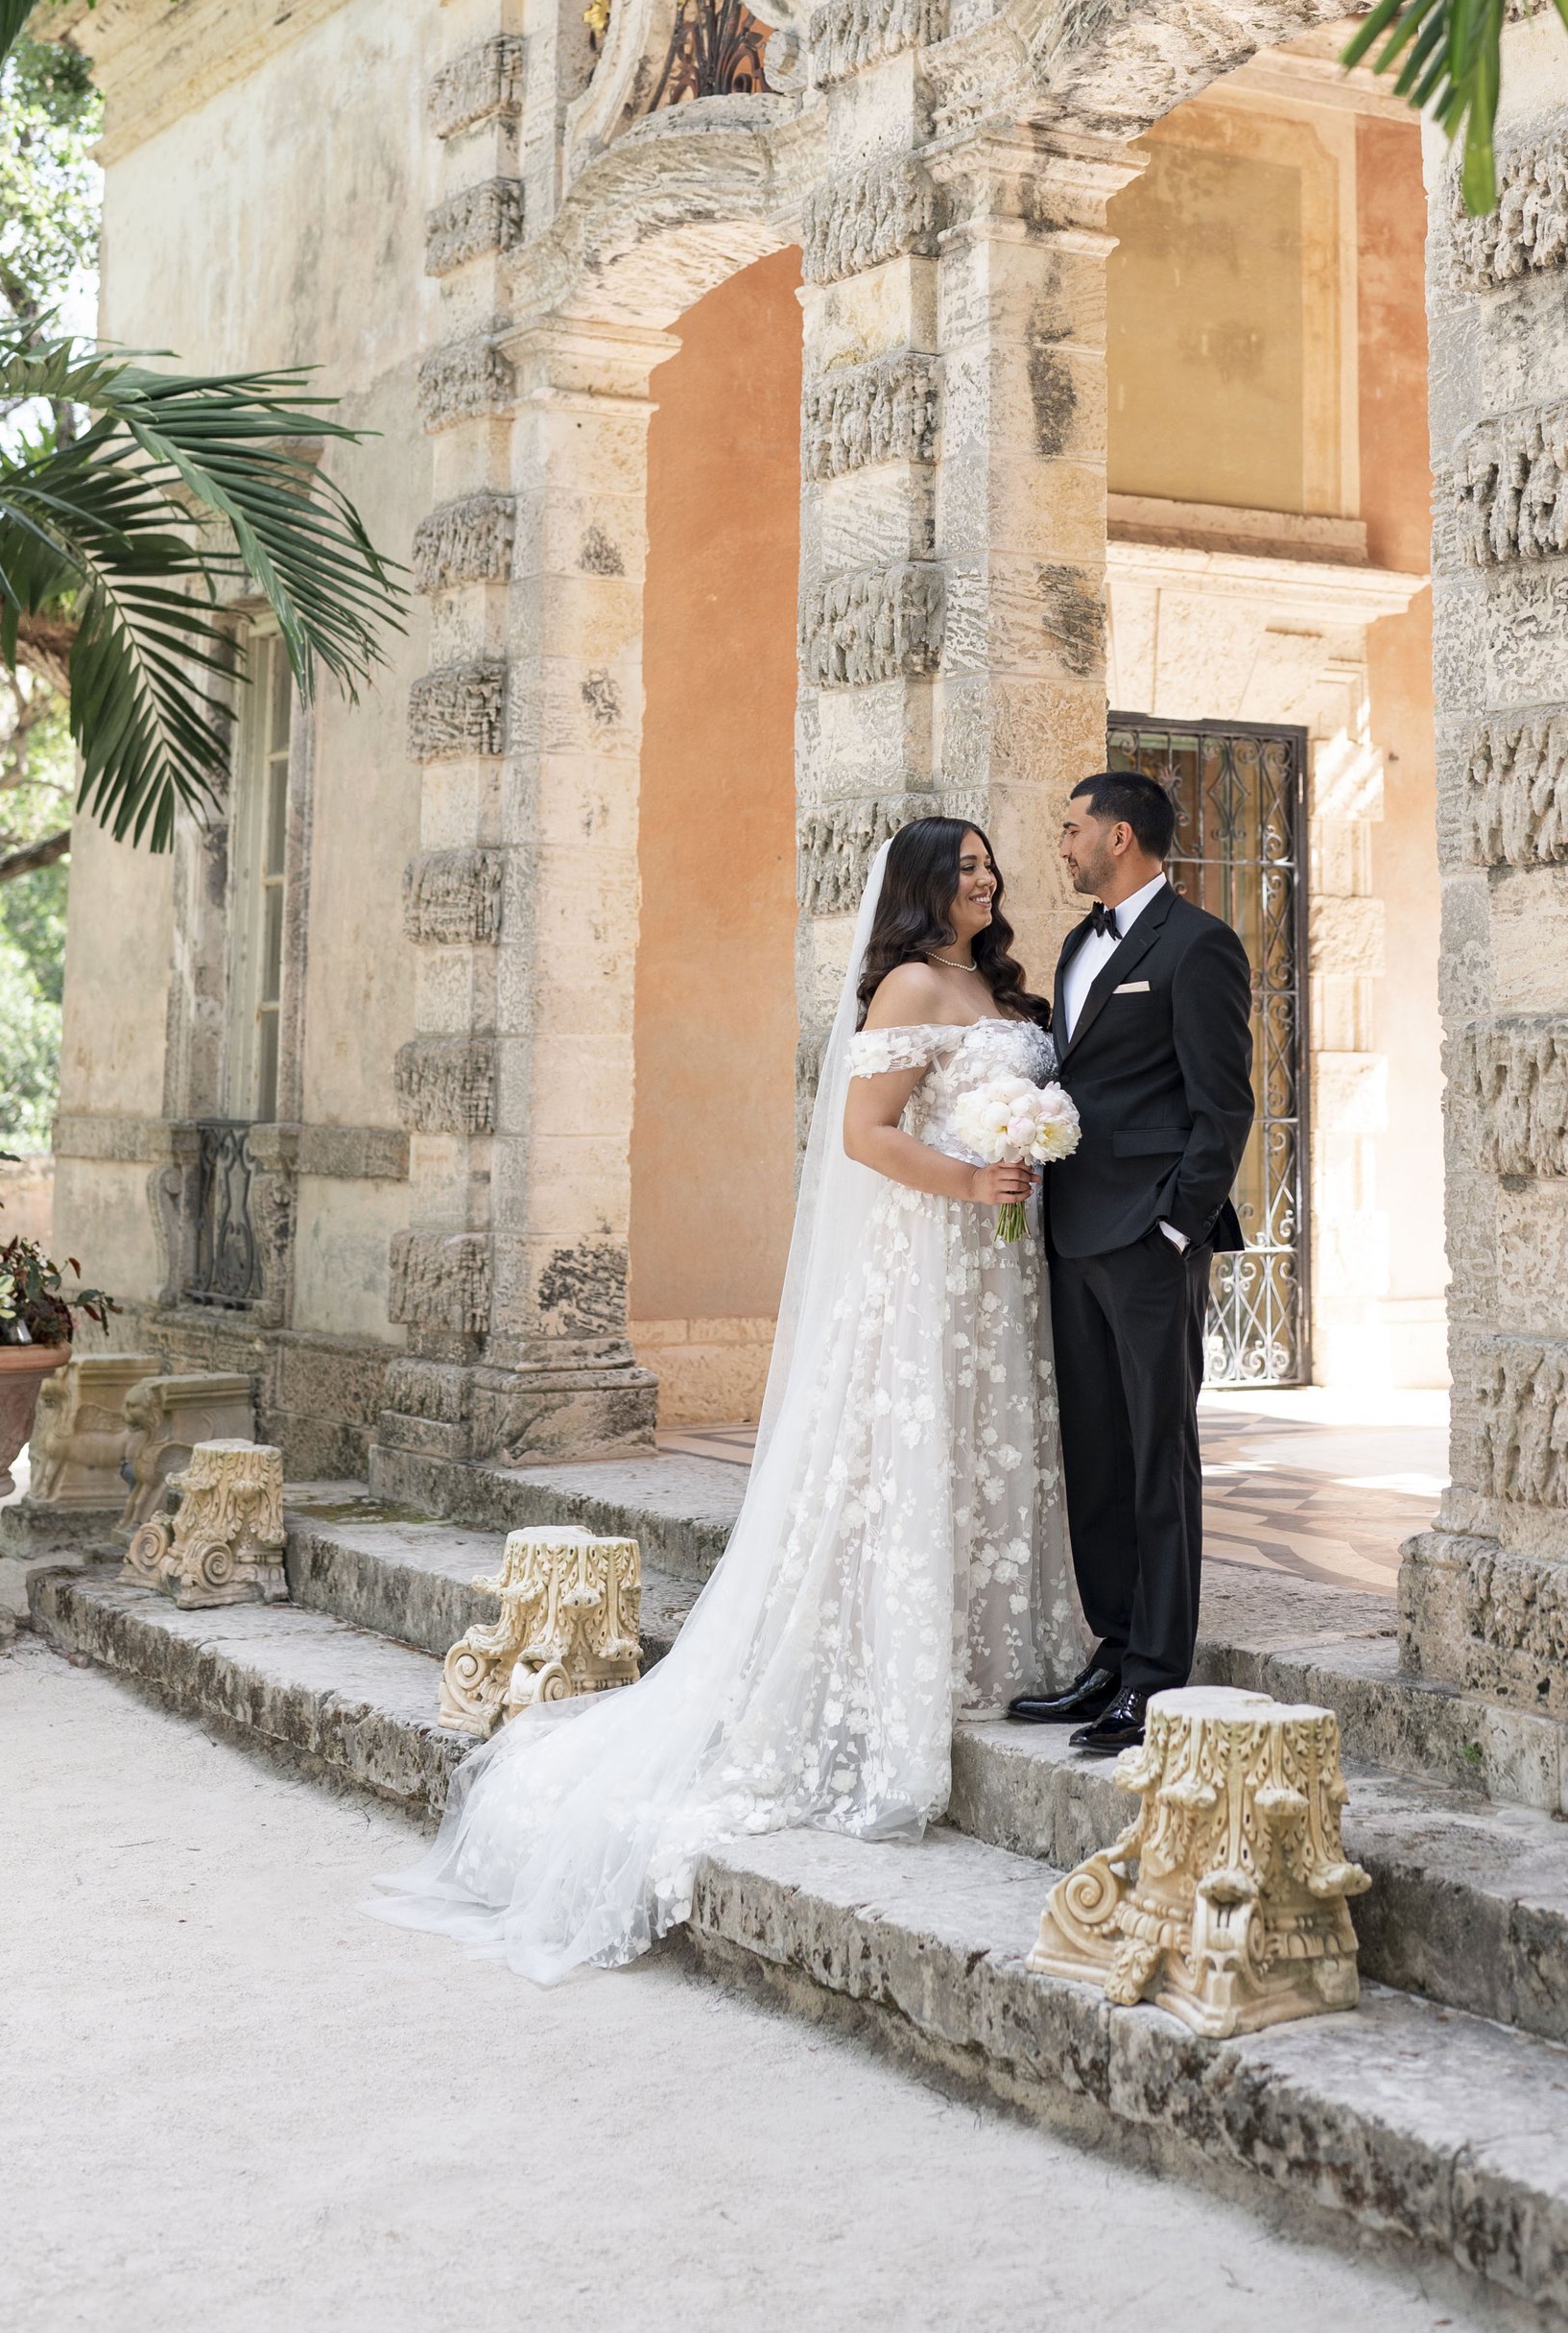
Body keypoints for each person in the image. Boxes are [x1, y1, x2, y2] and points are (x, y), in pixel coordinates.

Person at [375, 818, 1084, 1980]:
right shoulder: (908, 983)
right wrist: (971, 1176)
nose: (985, 877)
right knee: (905, 1449)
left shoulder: (993, 983)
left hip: (995, 1268)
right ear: (919, 887)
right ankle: (885, 1662)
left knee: (992, 1445)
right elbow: (865, 1135)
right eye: (962, 867)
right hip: (932, 1260)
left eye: (986, 863)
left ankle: (982, 1648)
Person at [1010, 769, 1254, 1760]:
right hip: (1071, 1233)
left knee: (1160, 1456)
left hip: (1148, 1242)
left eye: (1072, 827)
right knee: (1098, 1453)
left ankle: (1157, 1676)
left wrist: (1173, 1226)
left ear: (1118, 836)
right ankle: (1112, 1649)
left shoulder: (1199, 945)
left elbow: (1223, 1104)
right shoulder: (1075, 942)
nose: (1061, 843)